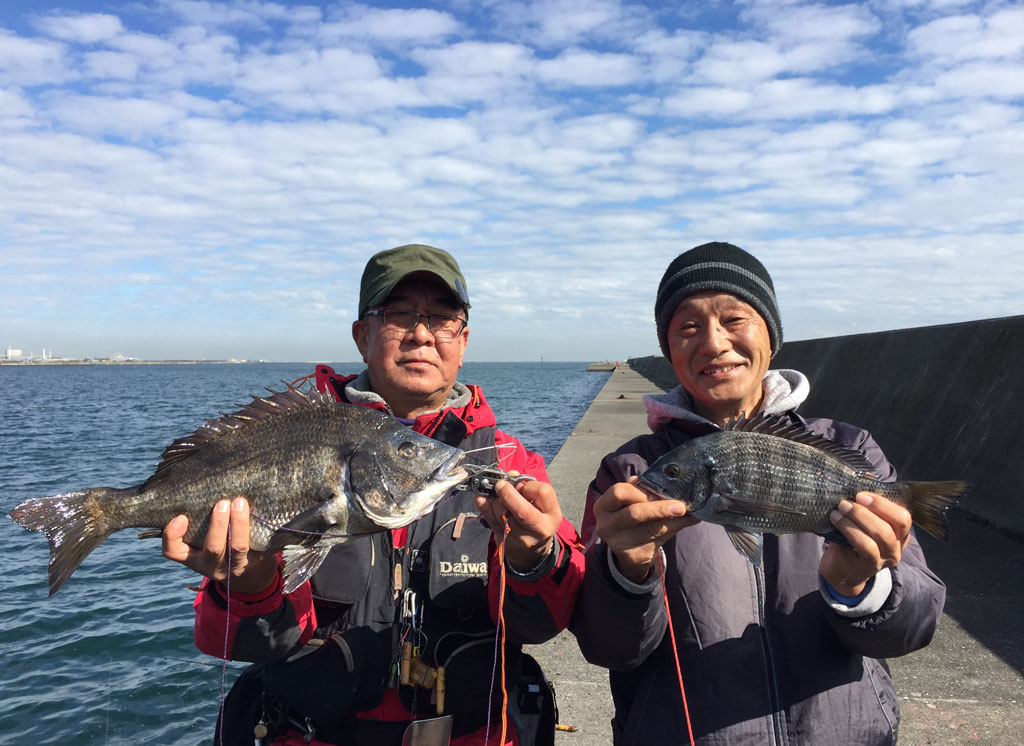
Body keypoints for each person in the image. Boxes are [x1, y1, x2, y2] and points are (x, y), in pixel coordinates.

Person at [163, 244, 584, 746]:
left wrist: (535, 559)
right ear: (363, 337)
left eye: (443, 318)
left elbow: (544, 622)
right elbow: (231, 640)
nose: (422, 333)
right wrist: (251, 584)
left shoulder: (510, 463)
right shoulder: (306, 434)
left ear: (463, 340)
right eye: (400, 314)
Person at [570, 242, 945, 746]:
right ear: (668, 350)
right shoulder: (629, 472)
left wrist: (861, 588)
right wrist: (625, 573)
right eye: (688, 327)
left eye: (734, 319)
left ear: (771, 334)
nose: (714, 342)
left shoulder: (849, 447)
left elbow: (915, 627)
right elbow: (608, 646)